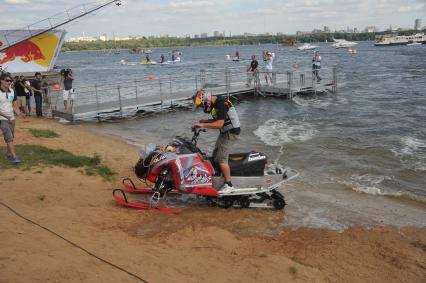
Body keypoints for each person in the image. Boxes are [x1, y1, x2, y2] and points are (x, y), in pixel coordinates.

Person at [192, 89, 241, 193]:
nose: (201, 107)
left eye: (201, 105)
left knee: (221, 159)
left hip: (231, 132)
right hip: (225, 132)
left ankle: (229, 185)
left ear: (205, 100)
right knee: (215, 156)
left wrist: (202, 125)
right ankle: (219, 179)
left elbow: (219, 124)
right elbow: (218, 120)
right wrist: (203, 121)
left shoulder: (220, 103)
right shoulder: (215, 103)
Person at [0, 73, 25, 164]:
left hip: (11, 117)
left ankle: (9, 154)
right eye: (7, 80)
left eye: (10, 81)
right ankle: (14, 156)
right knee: (8, 135)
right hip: (1, 118)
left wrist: (19, 113)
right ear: (1, 81)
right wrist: (5, 116)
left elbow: (15, 105)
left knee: (11, 137)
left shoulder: (12, 91)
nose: (9, 82)